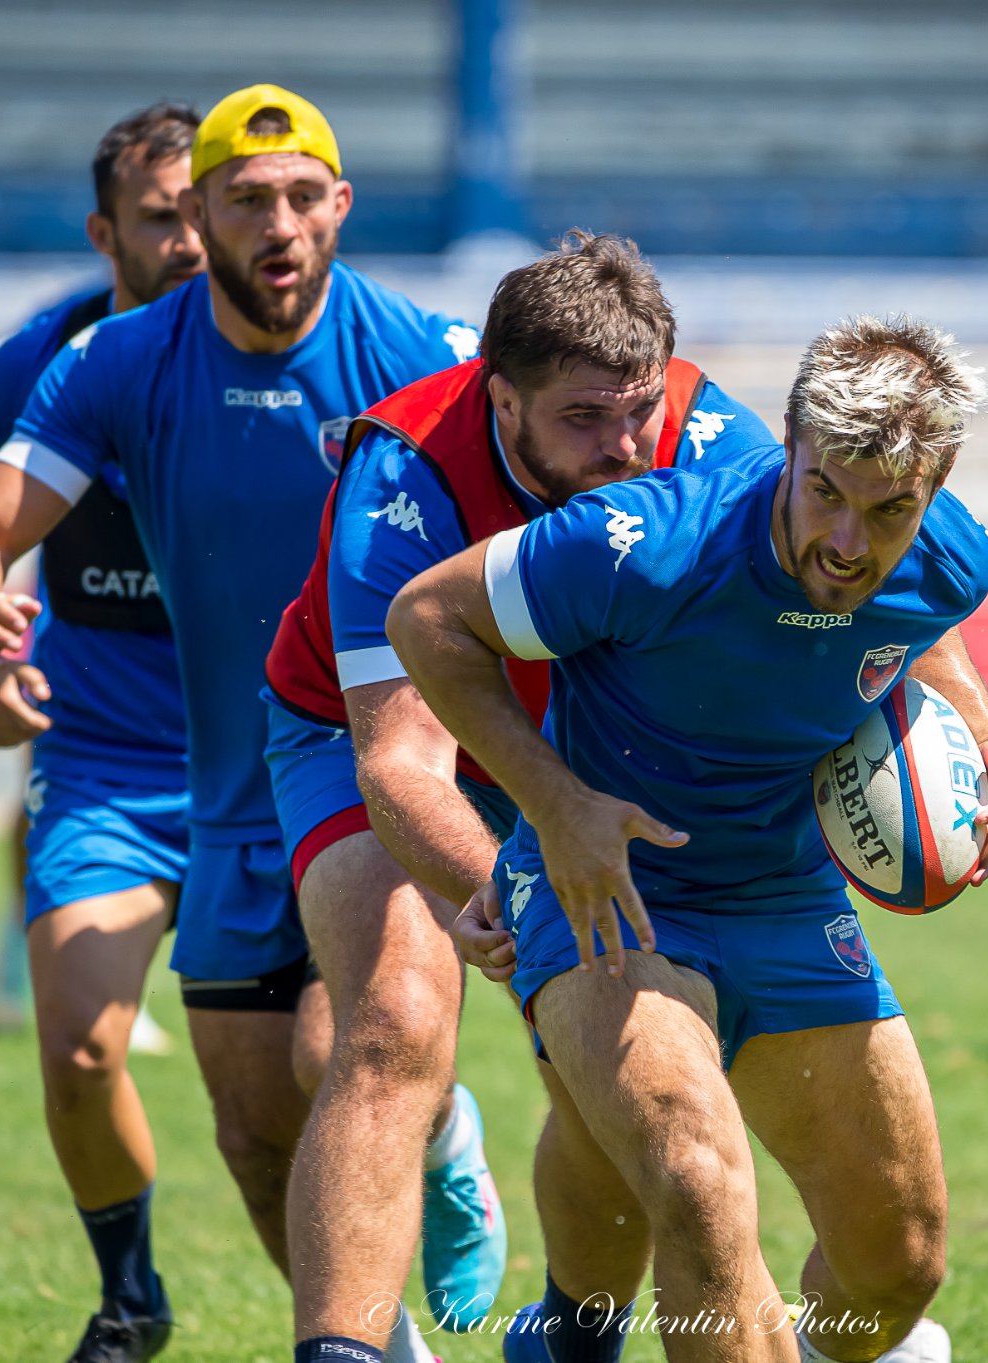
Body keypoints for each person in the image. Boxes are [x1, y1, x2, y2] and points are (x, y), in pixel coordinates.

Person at [0, 84, 484, 1363]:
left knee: (358, 1045)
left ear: (341, 206)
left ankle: (432, 1161)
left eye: (300, 197)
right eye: (238, 202)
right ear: (180, 221)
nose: (270, 225)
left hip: (362, 767)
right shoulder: (104, 359)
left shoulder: (428, 357)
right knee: (247, 1123)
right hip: (186, 776)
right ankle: (346, 1326)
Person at [390, 315, 988, 1363]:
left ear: (936, 484)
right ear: (787, 446)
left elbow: (918, 622)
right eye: (823, 489)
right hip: (609, 891)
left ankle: (570, 1340)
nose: (845, 539)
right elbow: (426, 617)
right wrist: (554, 807)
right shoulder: (646, 545)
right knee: (692, 1179)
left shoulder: (951, 556)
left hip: (787, 899)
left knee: (897, 1264)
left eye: (888, 510)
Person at [262, 230, 772, 1351]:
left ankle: (569, 1331)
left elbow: (856, 547)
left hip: (579, 739)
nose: (625, 447)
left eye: (636, 409)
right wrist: (516, 887)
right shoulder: (404, 467)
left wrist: (965, 715)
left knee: (608, 1051)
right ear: (500, 397)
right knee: (397, 1014)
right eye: (580, 421)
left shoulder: (700, 427)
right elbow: (399, 758)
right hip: (366, 733)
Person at [0, 101, 205, 1360]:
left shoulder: (314, 352)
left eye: (211, 209)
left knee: (340, 1069)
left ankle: (439, 1139)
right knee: (83, 1051)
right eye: (160, 218)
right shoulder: (43, 359)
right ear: (105, 232)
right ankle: (132, 1299)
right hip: (110, 760)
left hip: (281, 760)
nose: (193, 240)